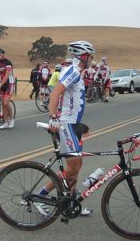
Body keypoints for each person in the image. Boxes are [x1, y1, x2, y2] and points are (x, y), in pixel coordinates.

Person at [37, 40, 97, 216]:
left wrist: (80, 125)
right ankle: (41, 196)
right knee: (71, 168)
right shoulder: (73, 72)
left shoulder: (76, 71)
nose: (91, 59)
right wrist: (53, 116)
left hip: (73, 124)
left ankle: (71, 202)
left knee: (76, 166)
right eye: (90, 56)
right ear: (84, 56)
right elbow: (56, 92)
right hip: (66, 124)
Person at [0, 48, 18, 129]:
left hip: (9, 84)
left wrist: (0, 85)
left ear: (3, 54)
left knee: (6, 103)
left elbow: (7, 75)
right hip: (2, 84)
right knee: (3, 105)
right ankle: (6, 123)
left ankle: (12, 119)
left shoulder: (8, 62)